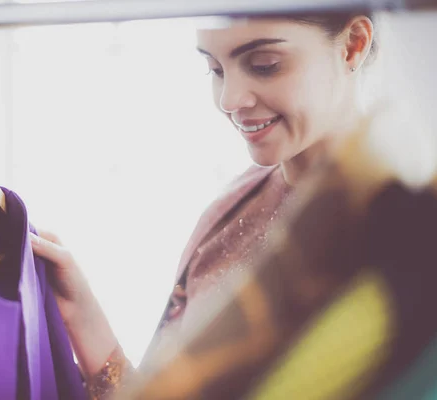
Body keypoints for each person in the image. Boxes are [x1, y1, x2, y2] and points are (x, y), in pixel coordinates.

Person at [30, 11, 377, 398]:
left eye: (265, 66)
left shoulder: (400, 231)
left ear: (352, 45)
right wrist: (81, 312)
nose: (229, 100)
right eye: (215, 69)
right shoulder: (231, 206)